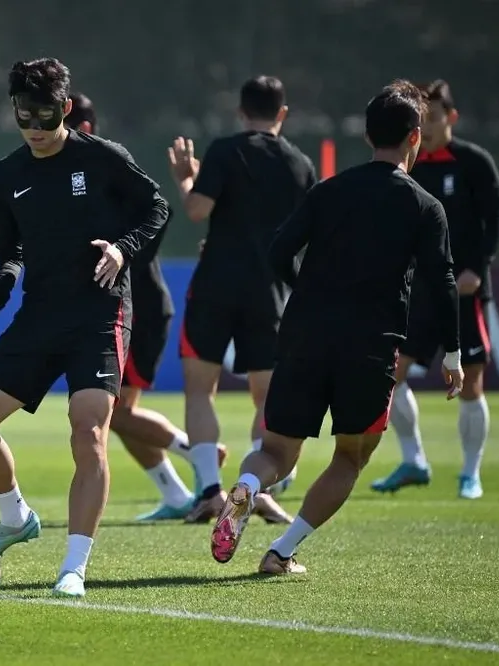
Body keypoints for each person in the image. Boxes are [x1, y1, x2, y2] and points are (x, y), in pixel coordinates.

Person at [210, 80, 463, 575]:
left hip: (304, 333)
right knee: (351, 457)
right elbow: (444, 281)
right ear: (415, 137)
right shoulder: (423, 205)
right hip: (369, 347)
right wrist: (452, 354)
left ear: (369, 137)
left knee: (276, 450)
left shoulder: (329, 190)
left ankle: (247, 487)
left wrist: (305, 290)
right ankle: (282, 551)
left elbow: (279, 252)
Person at [0, 58, 169, 598]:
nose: (36, 129)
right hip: (39, 315)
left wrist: (122, 248)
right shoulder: (6, 176)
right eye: (26, 116)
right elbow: (10, 251)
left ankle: (74, 566)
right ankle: (16, 518)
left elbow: (156, 207)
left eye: (46, 116)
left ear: (66, 109)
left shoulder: (103, 158)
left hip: (100, 313)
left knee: (88, 428)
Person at [165, 76, 316, 524]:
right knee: (265, 396)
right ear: (282, 114)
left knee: (199, 388)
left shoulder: (226, 150)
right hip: (270, 290)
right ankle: (257, 488)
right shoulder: (301, 164)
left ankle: (211, 491)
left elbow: (196, 210)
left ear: (241, 111)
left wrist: (185, 179)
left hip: (216, 284)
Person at [64, 92, 222, 521]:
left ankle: (198, 452)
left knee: (110, 414)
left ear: (84, 128)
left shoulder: (107, 169)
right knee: (113, 414)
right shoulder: (68, 176)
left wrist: (121, 248)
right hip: (115, 306)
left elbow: (161, 211)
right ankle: (174, 494)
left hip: (140, 307)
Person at [372, 80, 499, 499]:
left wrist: (477, 269)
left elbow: (494, 218)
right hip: (417, 293)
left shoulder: (473, 162)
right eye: (421, 119)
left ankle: (471, 474)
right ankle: (414, 461)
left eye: (433, 117)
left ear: (451, 117)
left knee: (471, 385)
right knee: (390, 375)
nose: (426, 126)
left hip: (462, 289)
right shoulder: (409, 167)